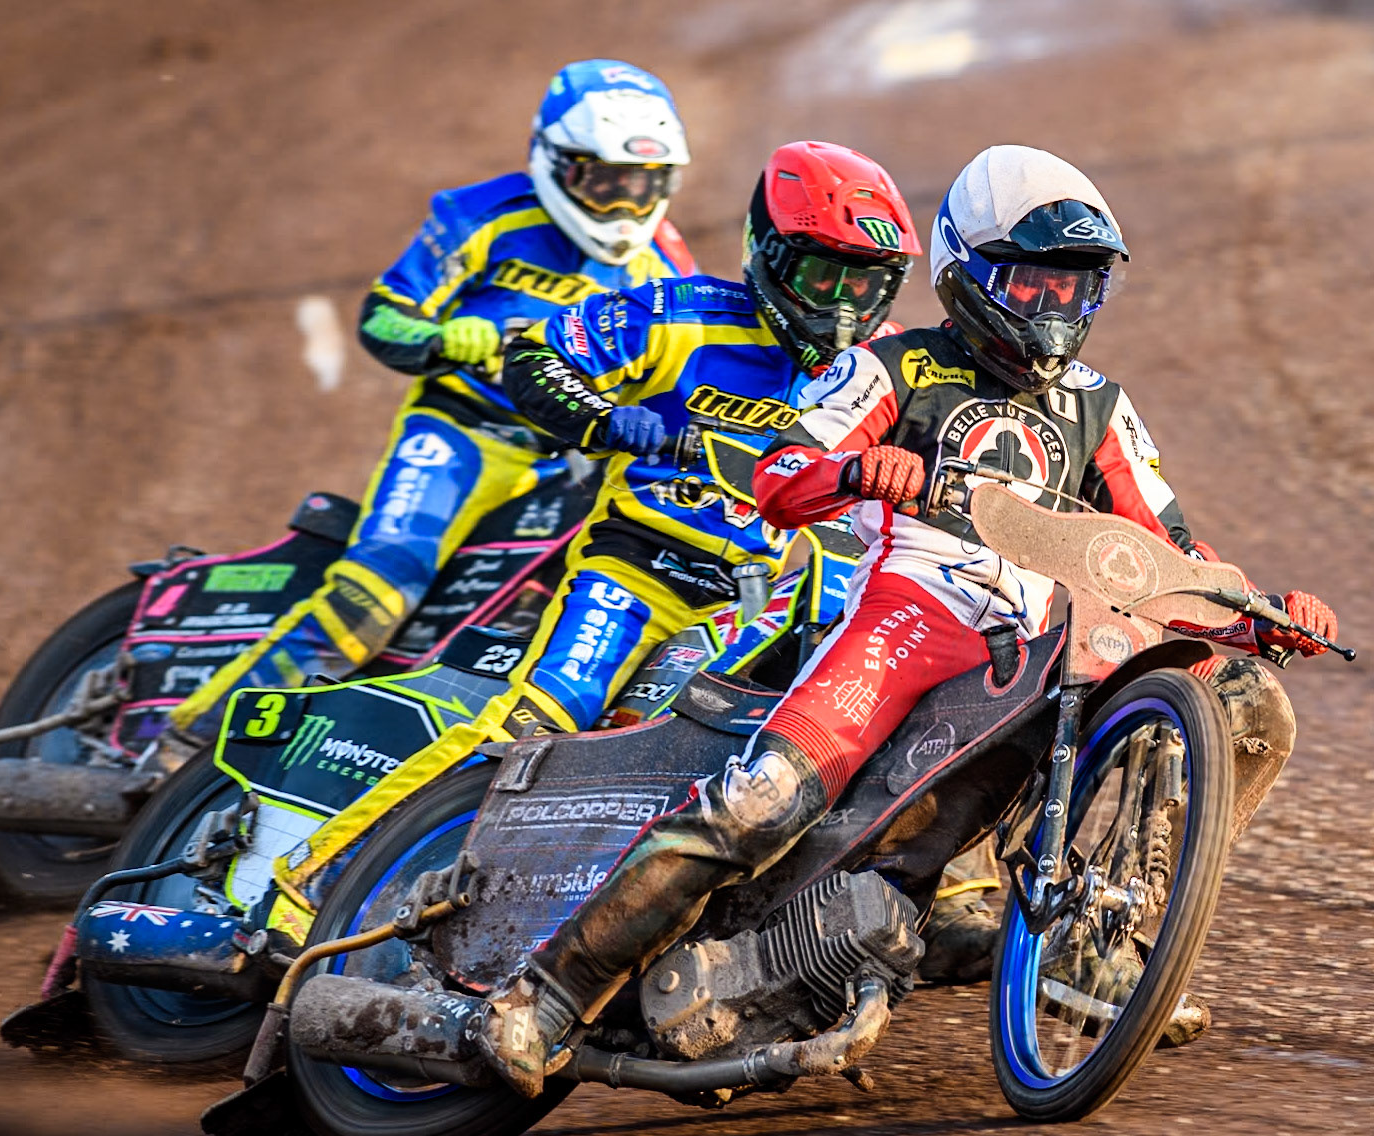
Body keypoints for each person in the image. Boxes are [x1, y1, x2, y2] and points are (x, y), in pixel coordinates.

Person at [473, 144, 1340, 1097]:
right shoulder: (891, 365)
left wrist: (1258, 614)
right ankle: (546, 994)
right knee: (762, 799)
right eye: (1032, 282)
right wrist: (855, 470)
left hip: (1037, 636)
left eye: (1076, 288)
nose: (1054, 309)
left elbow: (1167, 548)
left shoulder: (1102, 406)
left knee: (1239, 707)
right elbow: (779, 472)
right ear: (965, 270)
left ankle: (1103, 950)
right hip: (906, 616)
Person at [249, 140, 922, 937]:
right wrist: (604, 419)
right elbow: (538, 354)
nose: (843, 303)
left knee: (680, 762)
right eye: (823, 276)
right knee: (535, 721)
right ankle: (303, 886)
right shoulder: (680, 312)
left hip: (752, 601)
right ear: (770, 254)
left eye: (866, 282)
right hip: (634, 570)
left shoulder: (887, 367)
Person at [163, 59, 695, 747]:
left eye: (644, 185)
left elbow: (684, 374)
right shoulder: (481, 215)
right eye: (604, 182)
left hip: (577, 459)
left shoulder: (668, 269)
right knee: (379, 591)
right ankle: (186, 746)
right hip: (464, 434)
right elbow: (383, 318)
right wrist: (443, 335)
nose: (624, 205)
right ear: (557, 164)